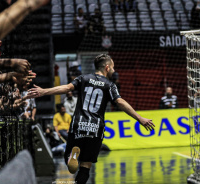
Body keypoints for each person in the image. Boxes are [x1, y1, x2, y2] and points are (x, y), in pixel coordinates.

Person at [28, 54, 155, 184]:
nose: (114, 70)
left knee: (70, 162)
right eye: (113, 67)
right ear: (107, 67)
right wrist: (139, 118)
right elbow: (120, 102)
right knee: (86, 166)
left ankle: (72, 156)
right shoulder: (110, 85)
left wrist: (44, 91)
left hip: (79, 124)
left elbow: (66, 88)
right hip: (96, 128)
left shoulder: (84, 78)